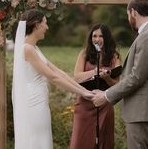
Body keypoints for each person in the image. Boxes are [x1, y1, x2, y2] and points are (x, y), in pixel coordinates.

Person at [92, 0, 148, 149]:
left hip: (142, 107)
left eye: (128, 15)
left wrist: (106, 95)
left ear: (133, 12)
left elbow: (136, 77)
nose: (128, 19)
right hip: (141, 107)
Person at [12, 9, 93, 149]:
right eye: (45, 23)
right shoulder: (27, 49)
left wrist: (83, 89)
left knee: (42, 140)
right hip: (33, 104)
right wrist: (83, 93)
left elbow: (58, 71)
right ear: (37, 25)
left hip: (40, 102)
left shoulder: (34, 48)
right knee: (36, 141)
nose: (47, 27)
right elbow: (53, 77)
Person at [69, 24, 121, 149]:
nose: (97, 39)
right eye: (94, 36)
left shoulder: (114, 56)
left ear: (107, 38)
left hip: (104, 102)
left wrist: (107, 77)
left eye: (100, 36)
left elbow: (117, 85)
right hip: (85, 102)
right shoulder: (84, 54)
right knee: (80, 141)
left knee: (104, 140)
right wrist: (95, 71)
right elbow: (76, 77)